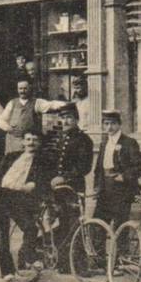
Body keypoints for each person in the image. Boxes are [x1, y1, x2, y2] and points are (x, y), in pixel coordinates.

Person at [0, 130, 51, 281]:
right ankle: (7, 271)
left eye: (34, 140)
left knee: (30, 227)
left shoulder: (43, 161)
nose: (31, 143)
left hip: (21, 199)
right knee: (2, 236)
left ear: (39, 143)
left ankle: (28, 255)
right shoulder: (11, 157)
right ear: (23, 142)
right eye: (28, 139)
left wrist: (35, 184)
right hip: (1, 196)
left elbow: (45, 180)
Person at [45, 103, 93, 272]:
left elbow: (84, 167)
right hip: (57, 189)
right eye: (63, 118)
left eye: (69, 118)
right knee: (62, 223)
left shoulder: (83, 140)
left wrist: (64, 177)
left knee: (75, 225)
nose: (65, 121)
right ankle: (63, 263)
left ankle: (79, 266)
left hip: (73, 188)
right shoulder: (58, 138)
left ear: (76, 120)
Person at [92, 109, 141, 253]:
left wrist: (125, 176)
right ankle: (99, 260)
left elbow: (140, 166)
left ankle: (121, 260)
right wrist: (97, 187)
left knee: (120, 227)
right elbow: (99, 169)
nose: (109, 127)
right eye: (106, 124)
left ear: (119, 124)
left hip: (122, 191)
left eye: (113, 124)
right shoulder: (104, 143)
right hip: (105, 190)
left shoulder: (129, 142)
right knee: (99, 225)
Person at [0, 79, 66, 154]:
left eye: (25, 88)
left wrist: (67, 104)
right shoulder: (12, 103)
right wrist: (9, 128)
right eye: (20, 88)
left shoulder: (37, 102)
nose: (22, 91)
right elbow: (2, 120)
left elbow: (51, 105)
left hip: (30, 141)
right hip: (13, 141)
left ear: (29, 89)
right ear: (17, 90)